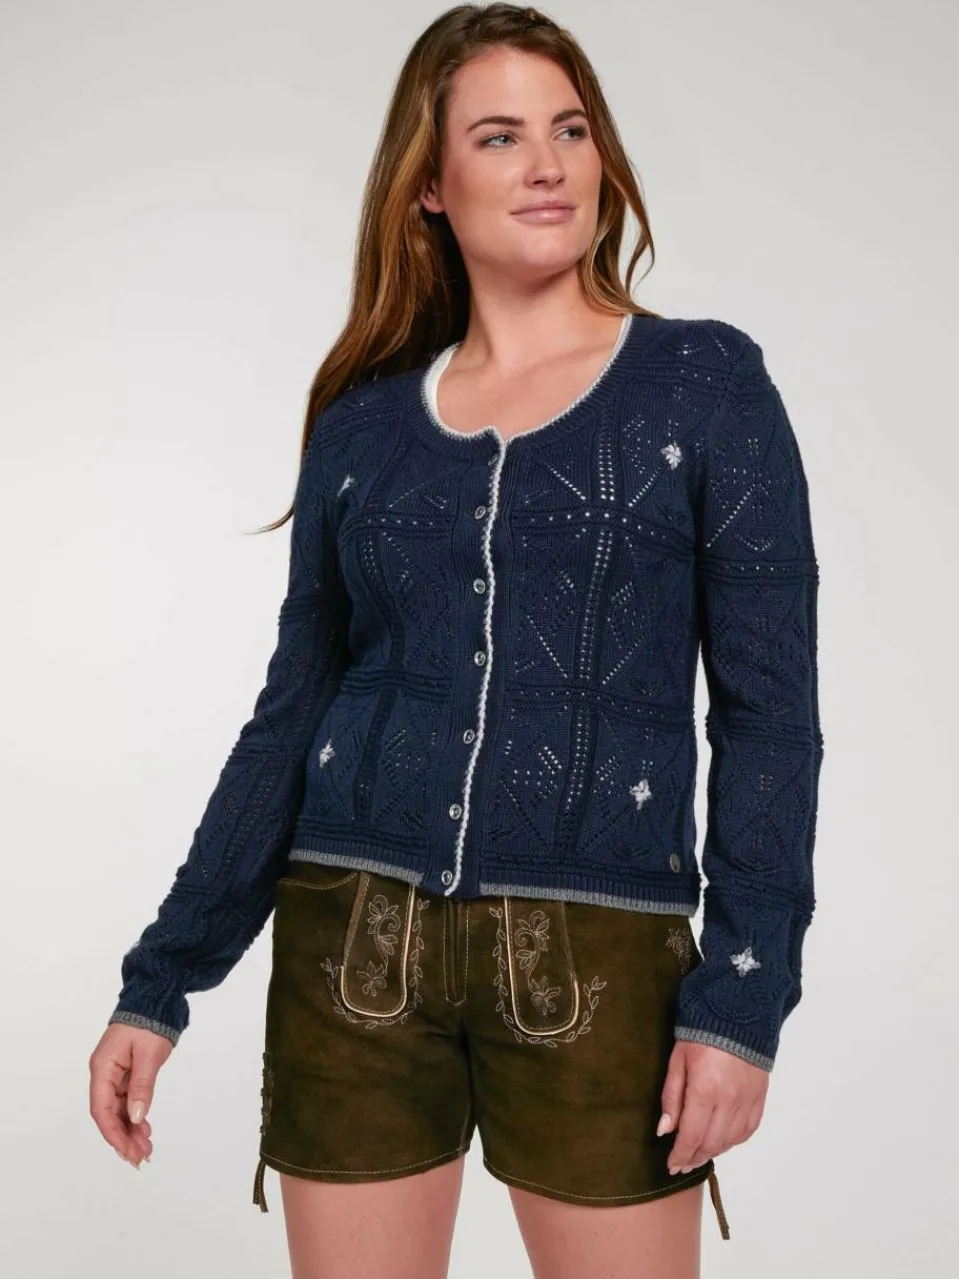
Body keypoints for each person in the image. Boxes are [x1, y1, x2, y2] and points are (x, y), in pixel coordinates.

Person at [89, 5, 823, 1275]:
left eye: (570, 130)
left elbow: (768, 719)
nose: (546, 165)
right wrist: (162, 978)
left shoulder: (703, 386)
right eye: (498, 137)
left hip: (598, 953)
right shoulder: (363, 424)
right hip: (349, 944)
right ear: (428, 185)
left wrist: (742, 999)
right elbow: (290, 713)